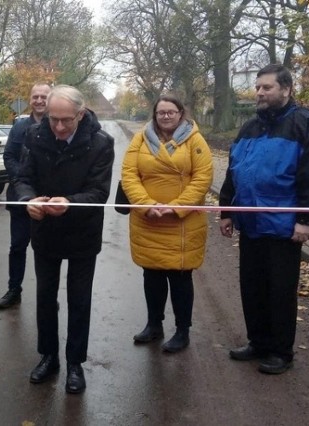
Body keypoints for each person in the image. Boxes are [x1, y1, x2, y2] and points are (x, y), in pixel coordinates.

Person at [219, 64, 309, 374]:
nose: (259, 92)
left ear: (286, 89)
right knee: (252, 286)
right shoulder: (249, 128)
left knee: (280, 290)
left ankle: (281, 351)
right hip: (251, 224)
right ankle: (258, 342)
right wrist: (227, 210)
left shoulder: (305, 125)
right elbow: (233, 172)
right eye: (258, 87)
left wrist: (306, 220)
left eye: (266, 87)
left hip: (284, 227)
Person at [14, 85, 114, 394]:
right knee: (45, 296)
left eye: (66, 120)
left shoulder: (100, 143)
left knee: (79, 299)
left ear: (80, 115)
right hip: (45, 231)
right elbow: (22, 178)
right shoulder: (35, 135)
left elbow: (98, 192)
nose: (58, 127)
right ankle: (48, 356)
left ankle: (75, 363)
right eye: (53, 119)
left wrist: (69, 203)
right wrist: (28, 199)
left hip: (82, 231)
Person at [121, 95, 213, 353]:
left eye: (170, 112)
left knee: (180, 277)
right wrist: (145, 204)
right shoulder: (140, 138)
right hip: (148, 219)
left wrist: (176, 207)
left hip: (182, 222)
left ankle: (182, 330)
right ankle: (154, 325)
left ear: (181, 113)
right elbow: (129, 174)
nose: (165, 116)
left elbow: (203, 177)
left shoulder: (195, 139)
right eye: (161, 112)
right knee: (152, 274)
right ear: (155, 114)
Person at [0, 83, 52, 309]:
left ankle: (47, 295)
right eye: (35, 96)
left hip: (48, 200)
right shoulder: (19, 127)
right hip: (20, 199)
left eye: (44, 97)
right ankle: (14, 290)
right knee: (17, 247)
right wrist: (22, 180)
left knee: (47, 251)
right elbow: (9, 156)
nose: (39, 100)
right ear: (30, 99)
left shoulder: (57, 125)